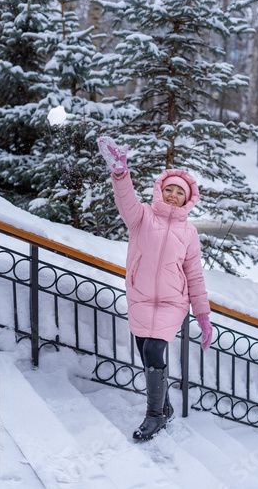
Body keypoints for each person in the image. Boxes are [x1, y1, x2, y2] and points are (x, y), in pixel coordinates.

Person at [98, 136, 212, 441]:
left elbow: (195, 275)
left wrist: (202, 314)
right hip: (140, 297)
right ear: (160, 191)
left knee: (152, 349)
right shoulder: (141, 218)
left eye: (180, 192)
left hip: (174, 302)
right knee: (145, 353)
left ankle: (155, 416)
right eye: (169, 189)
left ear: (188, 199)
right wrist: (121, 173)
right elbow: (125, 200)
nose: (173, 195)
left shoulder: (189, 233)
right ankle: (167, 406)